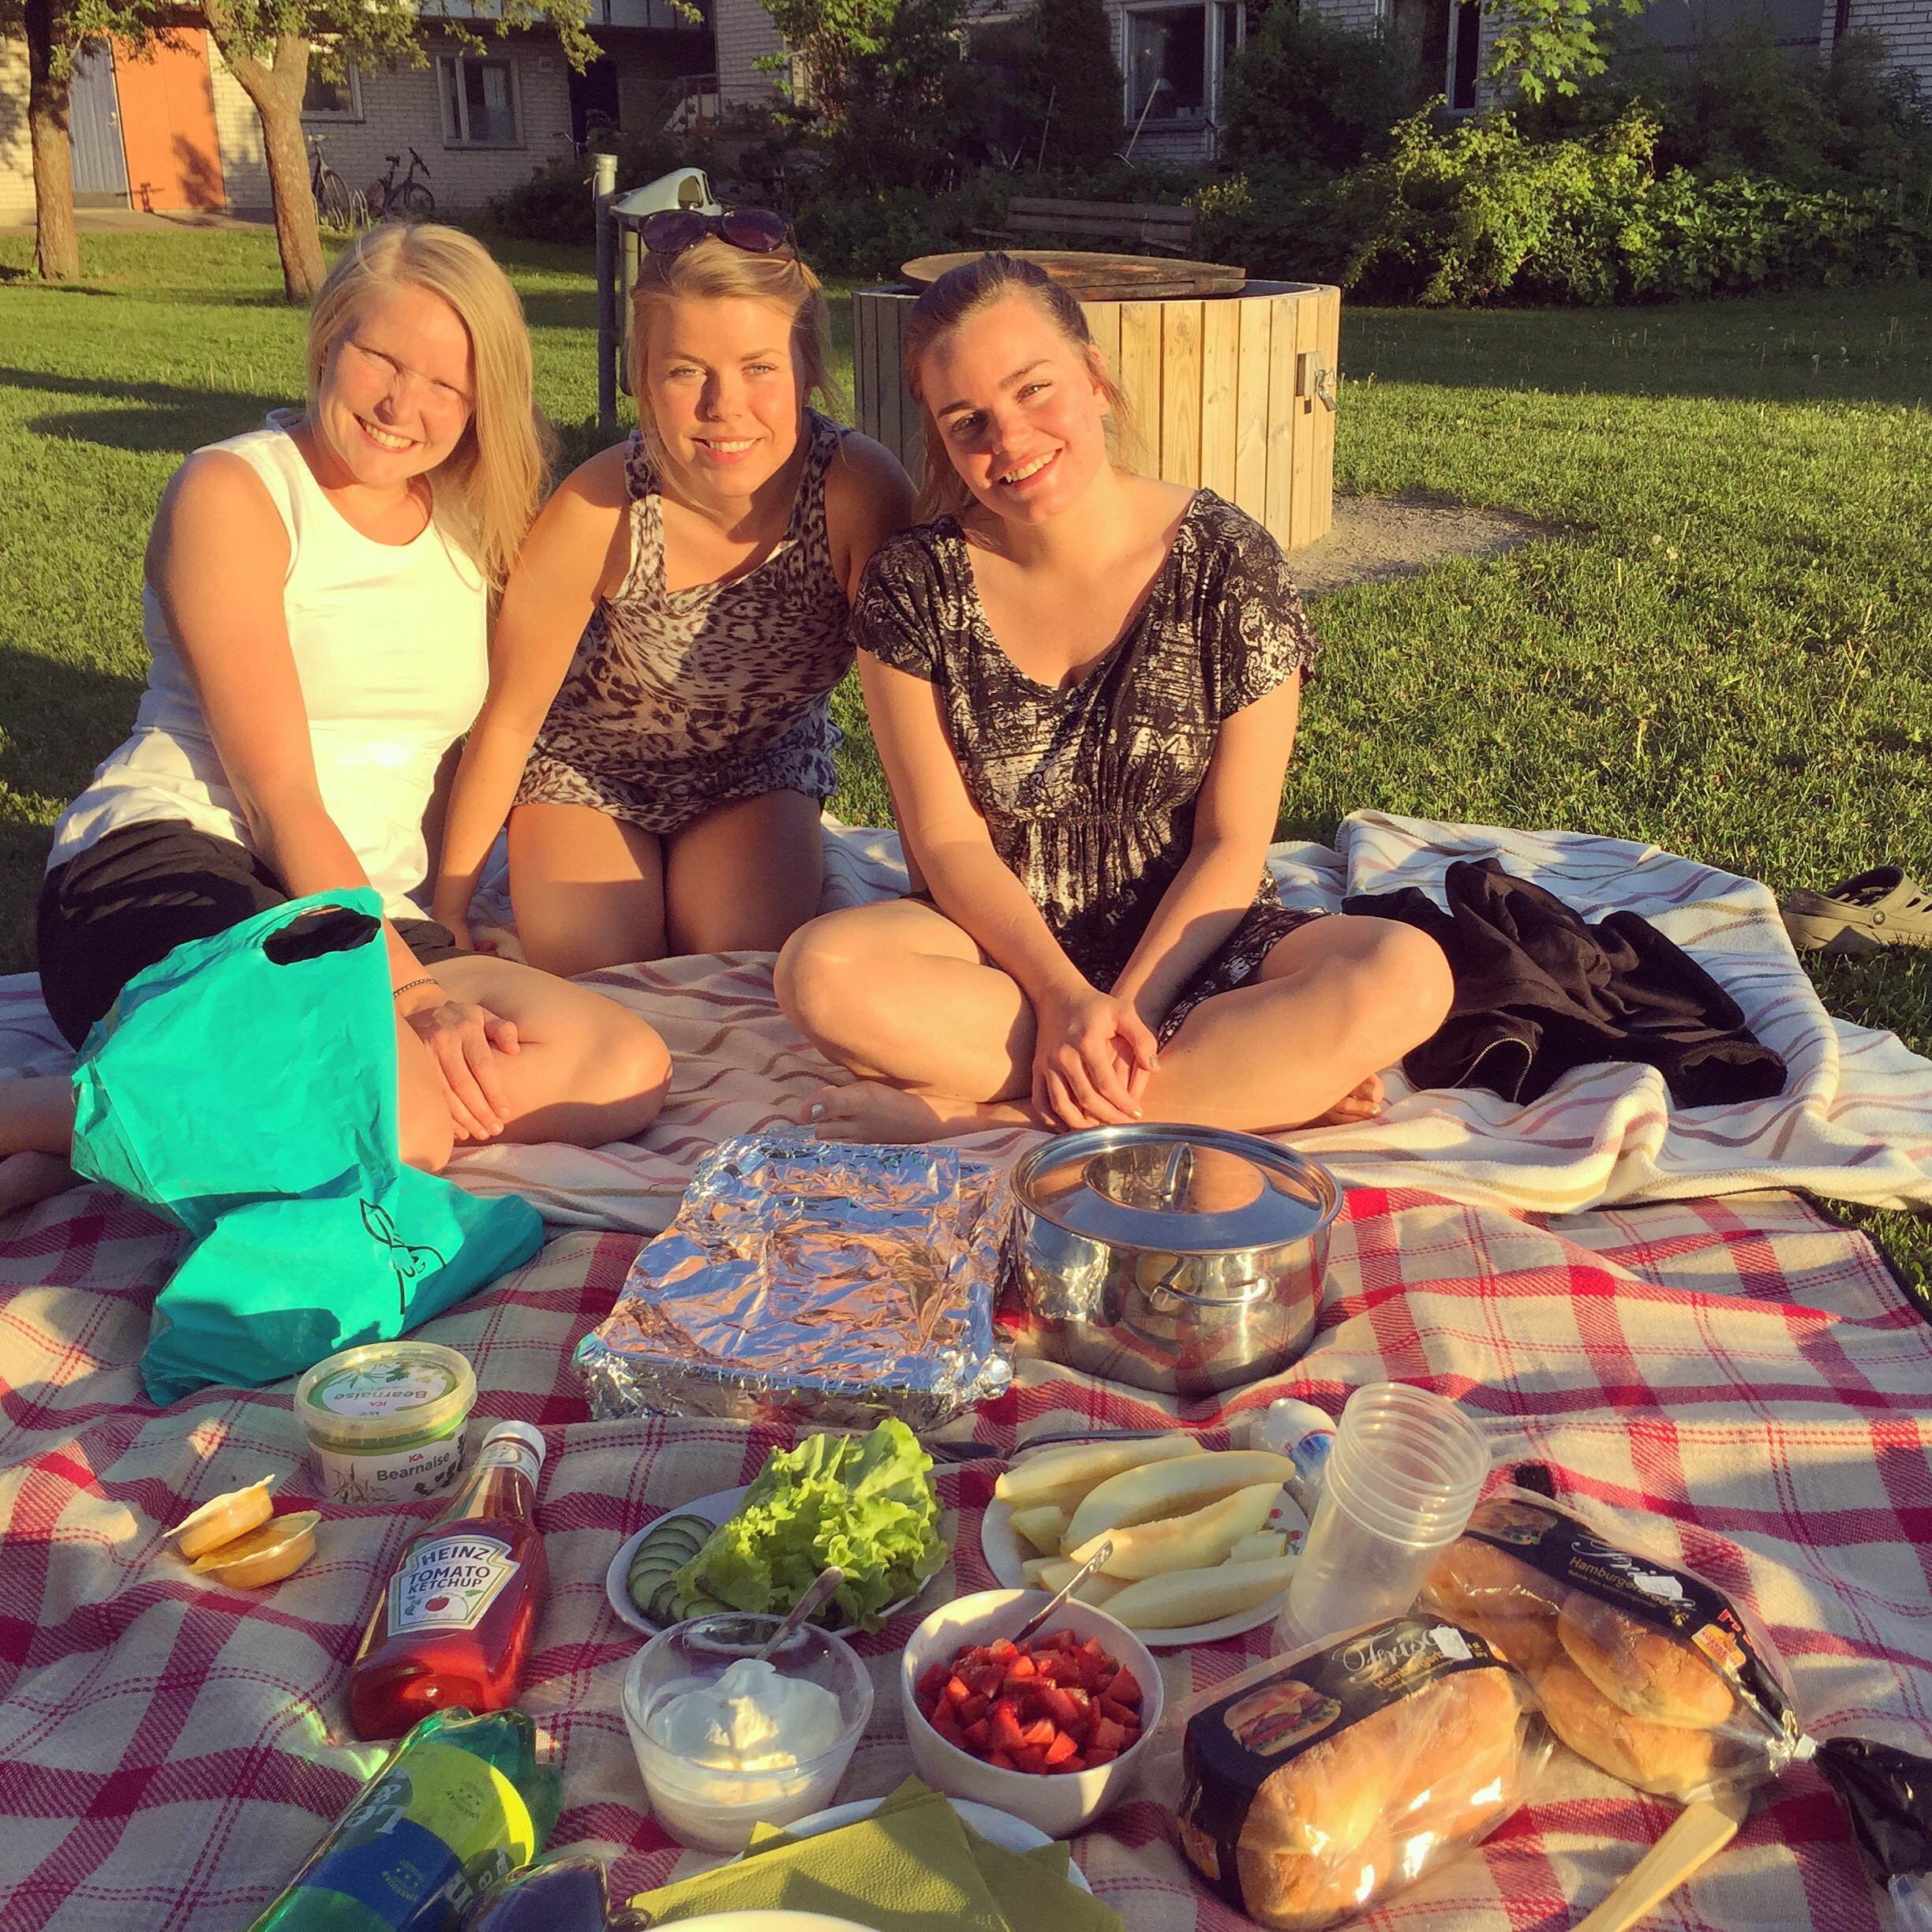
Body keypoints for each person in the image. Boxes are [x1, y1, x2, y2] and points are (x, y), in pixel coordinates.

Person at [7, 224, 670, 1215]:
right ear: (328, 342)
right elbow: (277, 796)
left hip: (358, 905)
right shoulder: (236, 491)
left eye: (446, 384)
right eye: (381, 360)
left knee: (616, 1064)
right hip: (183, 864)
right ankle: (38, 1114)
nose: (404, 405)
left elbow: (435, 755)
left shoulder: (467, 523)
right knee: (405, 1124)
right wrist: (414, 994)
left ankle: (120, 1129)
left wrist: (442, 917)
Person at [775, 253, 1454, 1142]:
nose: (1008, 438)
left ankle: (983, 1115)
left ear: (1095, 379)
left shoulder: (1225, 562)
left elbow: (1231, 841)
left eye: (1033, 389)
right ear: (939, 438)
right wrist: (1063, 999)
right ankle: (1240, 1086)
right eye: (967, 420)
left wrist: (1121, 1011)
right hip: (999, 958)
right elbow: (945, 841)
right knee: (817, 973)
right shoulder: (912, 585)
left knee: (1409, 974)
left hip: (1195, 945)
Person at [429, 210, 913, 977]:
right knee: (595, 961)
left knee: (740, 954)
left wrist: (940, 891)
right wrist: (450, 909)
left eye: (759, 367)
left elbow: (910, 725)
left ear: (808, 369)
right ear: (645, 380)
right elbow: (511, 718)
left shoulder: (859, 494)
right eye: (687, 371)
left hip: (758, 767)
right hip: (589, 768)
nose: (725, 405)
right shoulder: (600, 507)